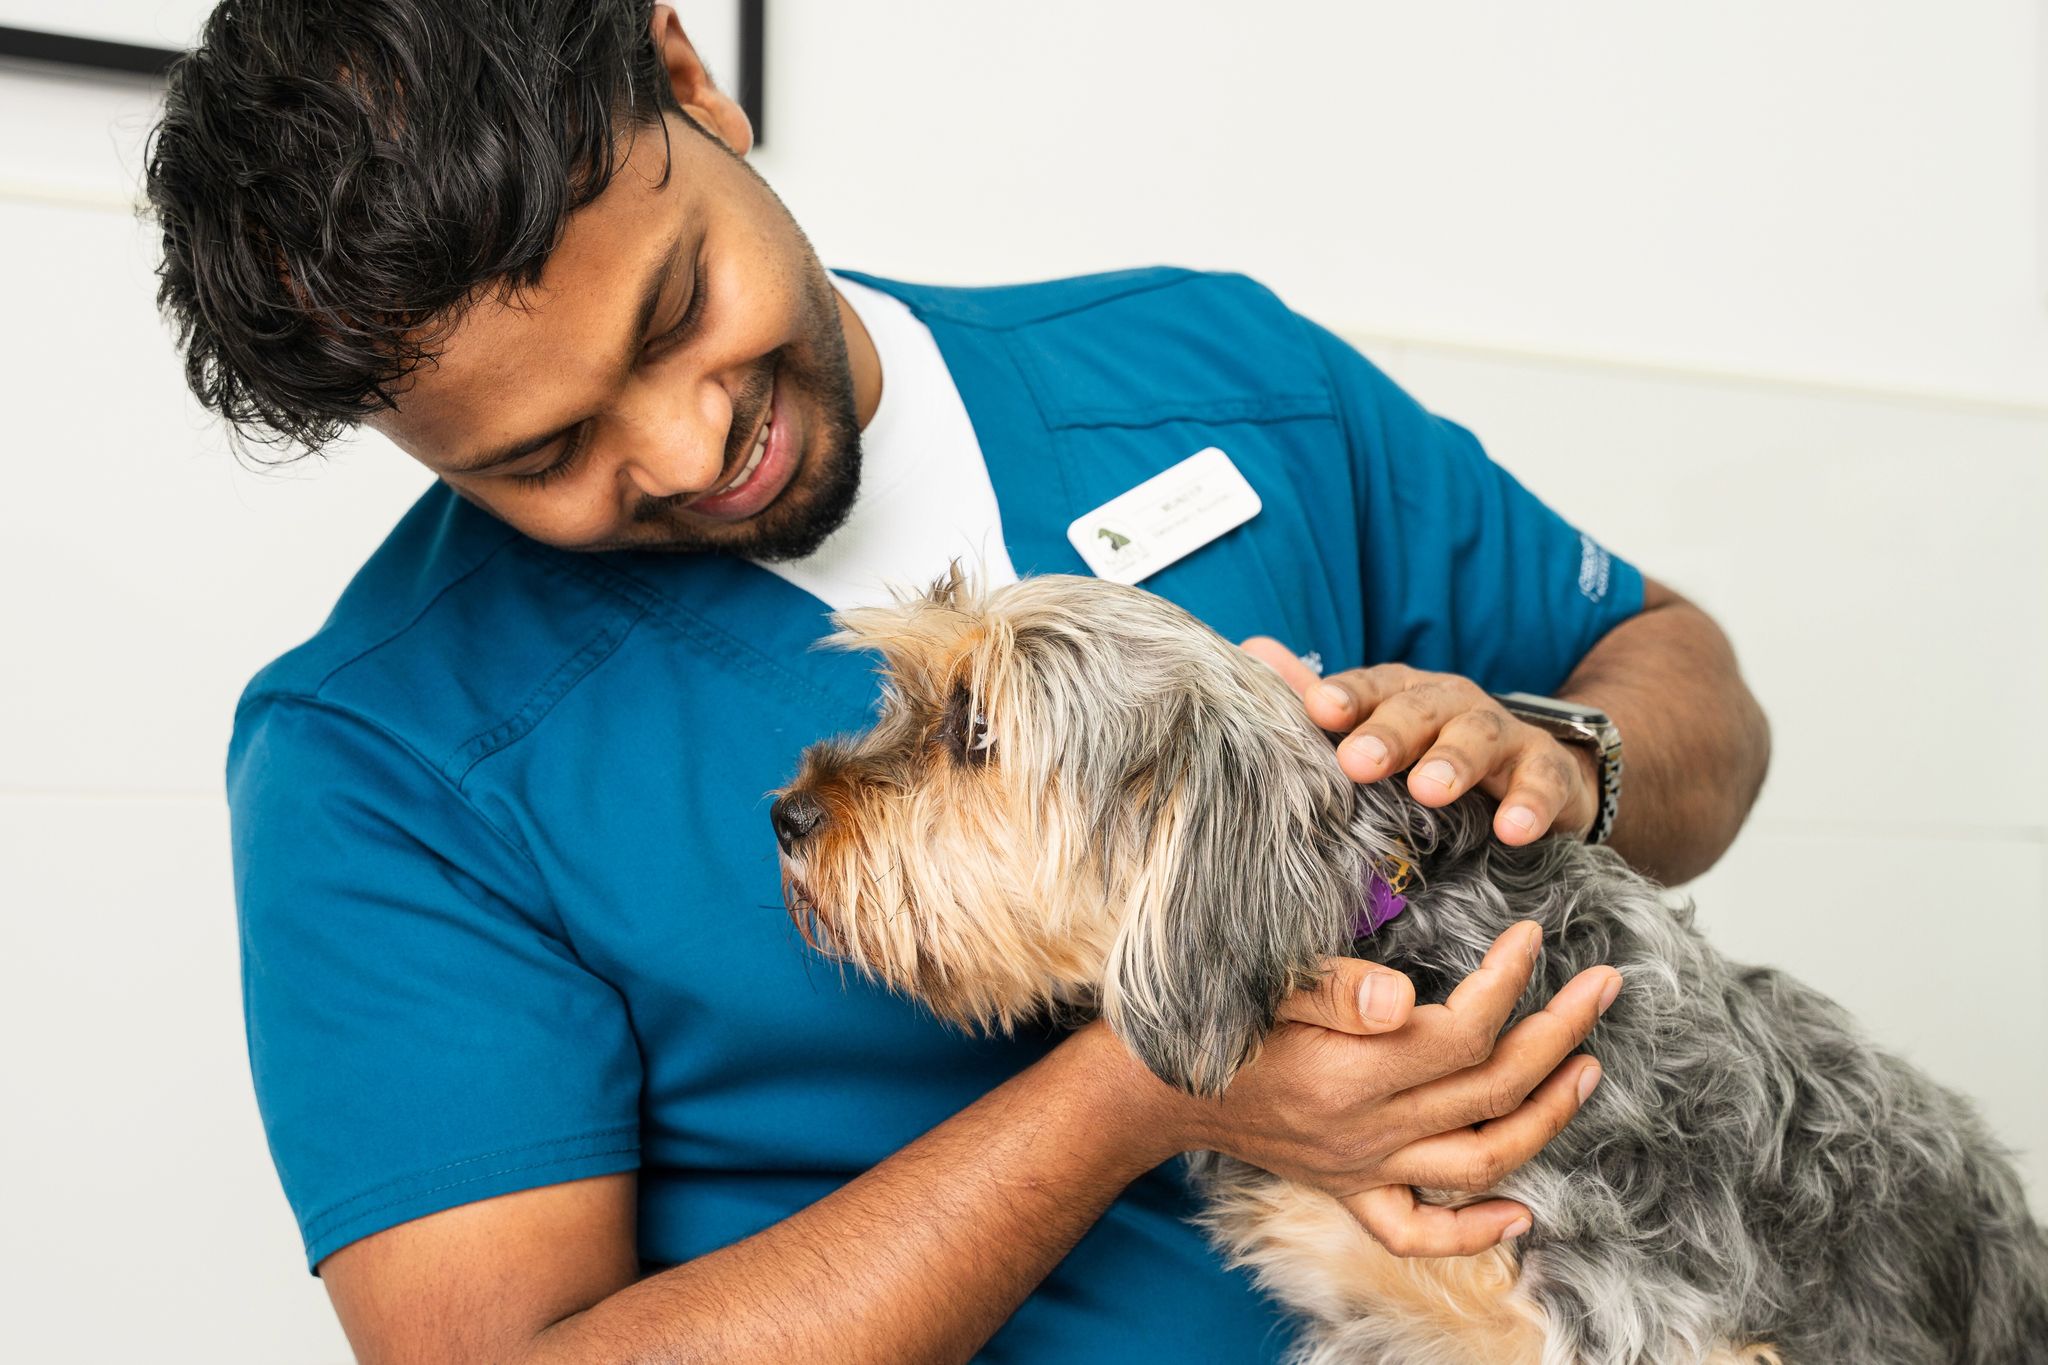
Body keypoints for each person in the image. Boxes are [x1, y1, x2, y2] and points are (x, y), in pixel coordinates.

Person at [147, 3, 1770, 1361]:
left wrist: (1568, 751)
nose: (688, 444)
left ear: (690, 75)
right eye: (547, 452)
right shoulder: (376, 760)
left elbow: (1689, 683)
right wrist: (1141, 1088)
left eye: (675, 309)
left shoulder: (1222, 373)